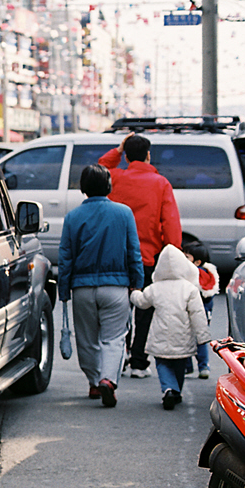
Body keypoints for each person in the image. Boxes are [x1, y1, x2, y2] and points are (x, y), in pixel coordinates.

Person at [58, 164, 144, 408]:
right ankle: (108, 379)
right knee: (114, 338)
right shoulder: (124, 213)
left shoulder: (72, 217)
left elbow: (65, 258)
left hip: (82, 288)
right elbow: (133, 253)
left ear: (83, 188)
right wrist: (136, 283)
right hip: (116, 287)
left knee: (87, 339)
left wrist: (64, 291)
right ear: (108, 185)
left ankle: (94, 382)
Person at [99, 132, 182, 379]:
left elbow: (99, 167)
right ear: (148, 155)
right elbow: (170, 223)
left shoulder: (114, 178)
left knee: (118, 309)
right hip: (147, 258)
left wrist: (117, 149)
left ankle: (119, 354)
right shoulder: (160, 183)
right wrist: (172, 252)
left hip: (114, 257)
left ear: (126, 155)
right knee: (144, 311)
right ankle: (138, 361)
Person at [130, 244, 211, 410]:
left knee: (162, 364)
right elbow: (198, 314)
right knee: (179, 365)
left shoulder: (155, 288)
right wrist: (202, 336)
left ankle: (168, 389)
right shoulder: (190, 289)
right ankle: (176, 390)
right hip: (182, 336)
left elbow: (141, 302)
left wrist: (134, 292)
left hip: (160, 334)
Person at [183, 240, 219, 379]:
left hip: (192, 313)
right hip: (205, 313)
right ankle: (204, 367)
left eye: (186, 257)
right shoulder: (208, 274)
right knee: (201, 340)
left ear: (197, 262)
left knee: (186, 340)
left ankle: (188, 367)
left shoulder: (193, 274)